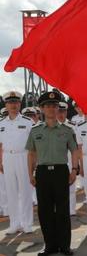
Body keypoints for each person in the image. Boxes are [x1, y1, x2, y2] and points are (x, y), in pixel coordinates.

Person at [26, 91, 79, 256]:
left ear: (58, 108)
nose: (51, 108)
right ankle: (50, 245)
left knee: (63, 210)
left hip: (61, 172)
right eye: (47, 106)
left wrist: (74, 170)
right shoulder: (35, 130)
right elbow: (31, 154)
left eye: (54, 106)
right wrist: (31, 174)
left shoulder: (67, 129)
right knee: (45, 211)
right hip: (42, 173)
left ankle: (64, 246)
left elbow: (75, 150)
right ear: (41, 109)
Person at [0, 90, 34, 234]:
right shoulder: (1, 123)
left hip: (23, 157)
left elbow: (33, 145)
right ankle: (14, 223)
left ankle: (27, 223)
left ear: (20, 104)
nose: (13, 105)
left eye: (15, 102)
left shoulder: (28, 122)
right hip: (7, 158)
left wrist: (33, 163)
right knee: (11, 192)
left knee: (25, 190)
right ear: (6, 105)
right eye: (10, 103)